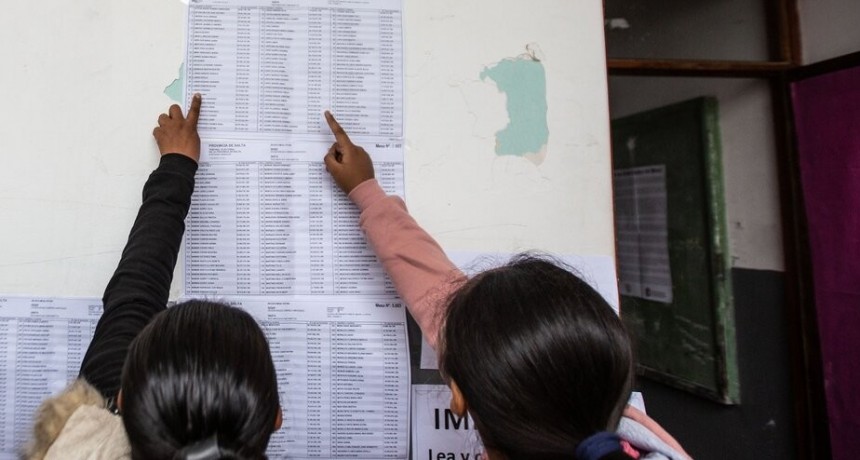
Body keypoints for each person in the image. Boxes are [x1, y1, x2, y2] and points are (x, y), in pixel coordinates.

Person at [322, 112, 692, 460]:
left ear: (459, 398)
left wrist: (367, 193)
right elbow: (452, 303)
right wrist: (367, 192)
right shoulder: (615, 431)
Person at [26, 95, 282, 460]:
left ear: (120, 400)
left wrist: (177, 166)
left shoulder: (82, 443)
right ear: (276, 418)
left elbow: (136, 294)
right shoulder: (111, 402)